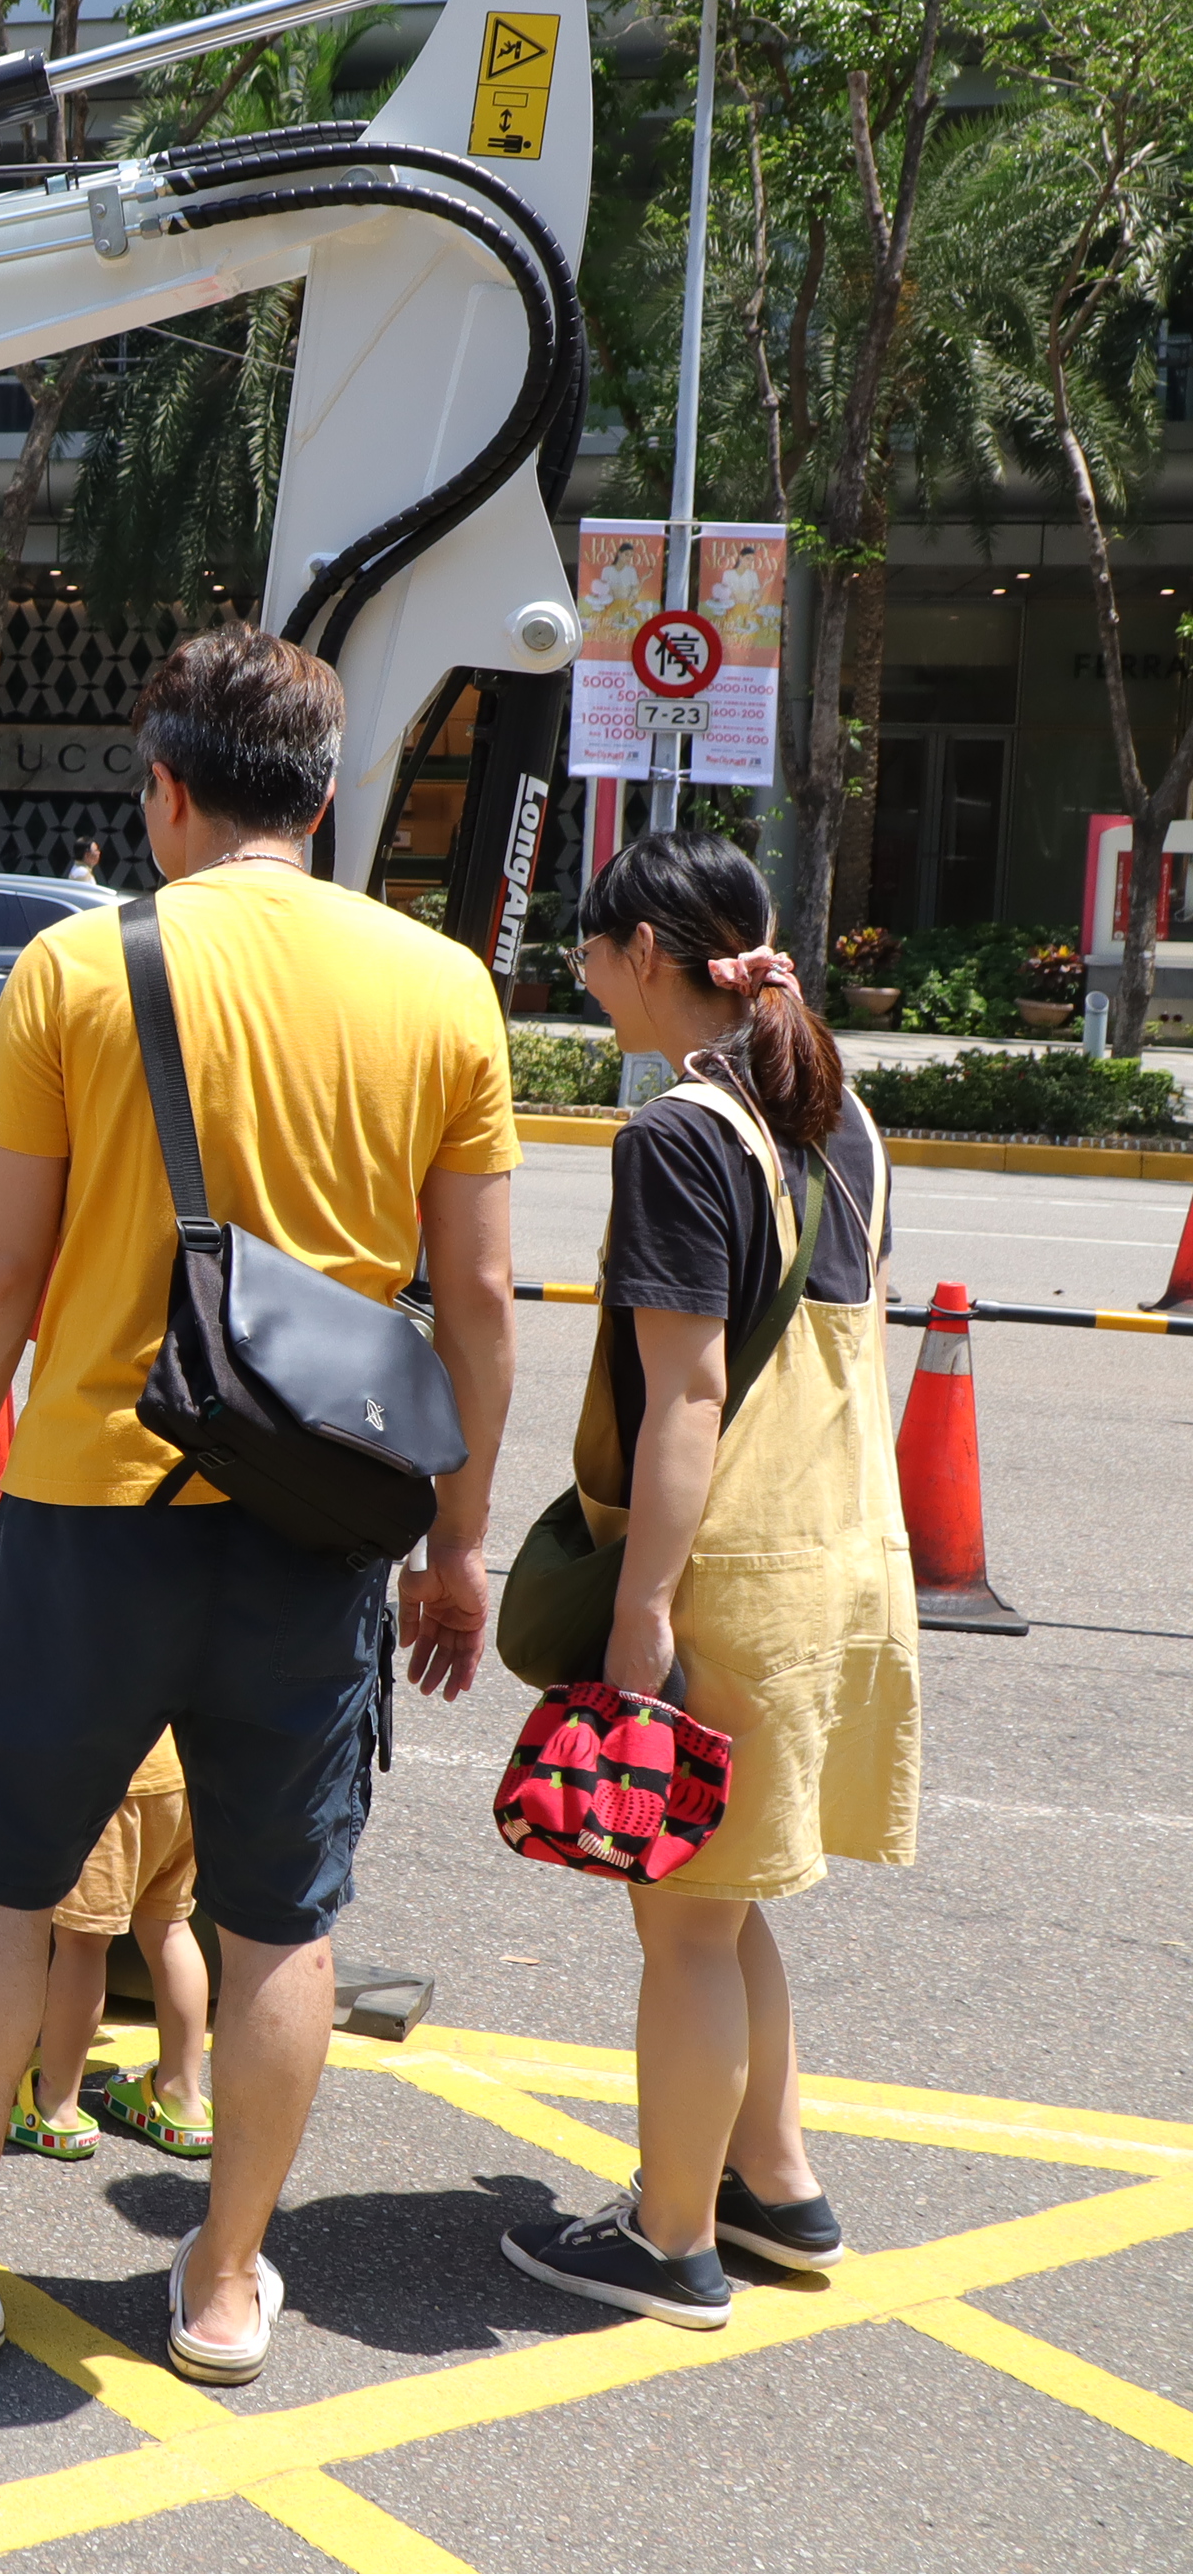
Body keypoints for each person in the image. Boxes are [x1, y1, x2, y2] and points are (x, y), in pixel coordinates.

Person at [0, 625, 518, 2385]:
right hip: (320, 1512)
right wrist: (454, 1538)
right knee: (275, 1917)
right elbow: (476, 1302)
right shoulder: (437, 985)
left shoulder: (80, 968)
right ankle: (221, 2287)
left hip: (90, 1498)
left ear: (159, 787)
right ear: (324, 796)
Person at [501, 831, 915, 2328]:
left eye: (593, 957)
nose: (587, 982)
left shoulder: (682, 1136)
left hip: (725, 1568)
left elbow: (683, 1402)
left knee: (679, 1916)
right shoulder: (836, 1116)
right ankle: (778, 2188)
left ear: (648, 959)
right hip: (837, 1561)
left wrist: (640, 1610)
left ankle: (670, 2239)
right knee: (727, 1899)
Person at [8, 1725, 215, 2164]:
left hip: (116, 1784)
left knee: (82, 1942)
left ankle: (55, 2106)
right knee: (172, 1927)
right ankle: (183, 2099)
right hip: (181, 1774)